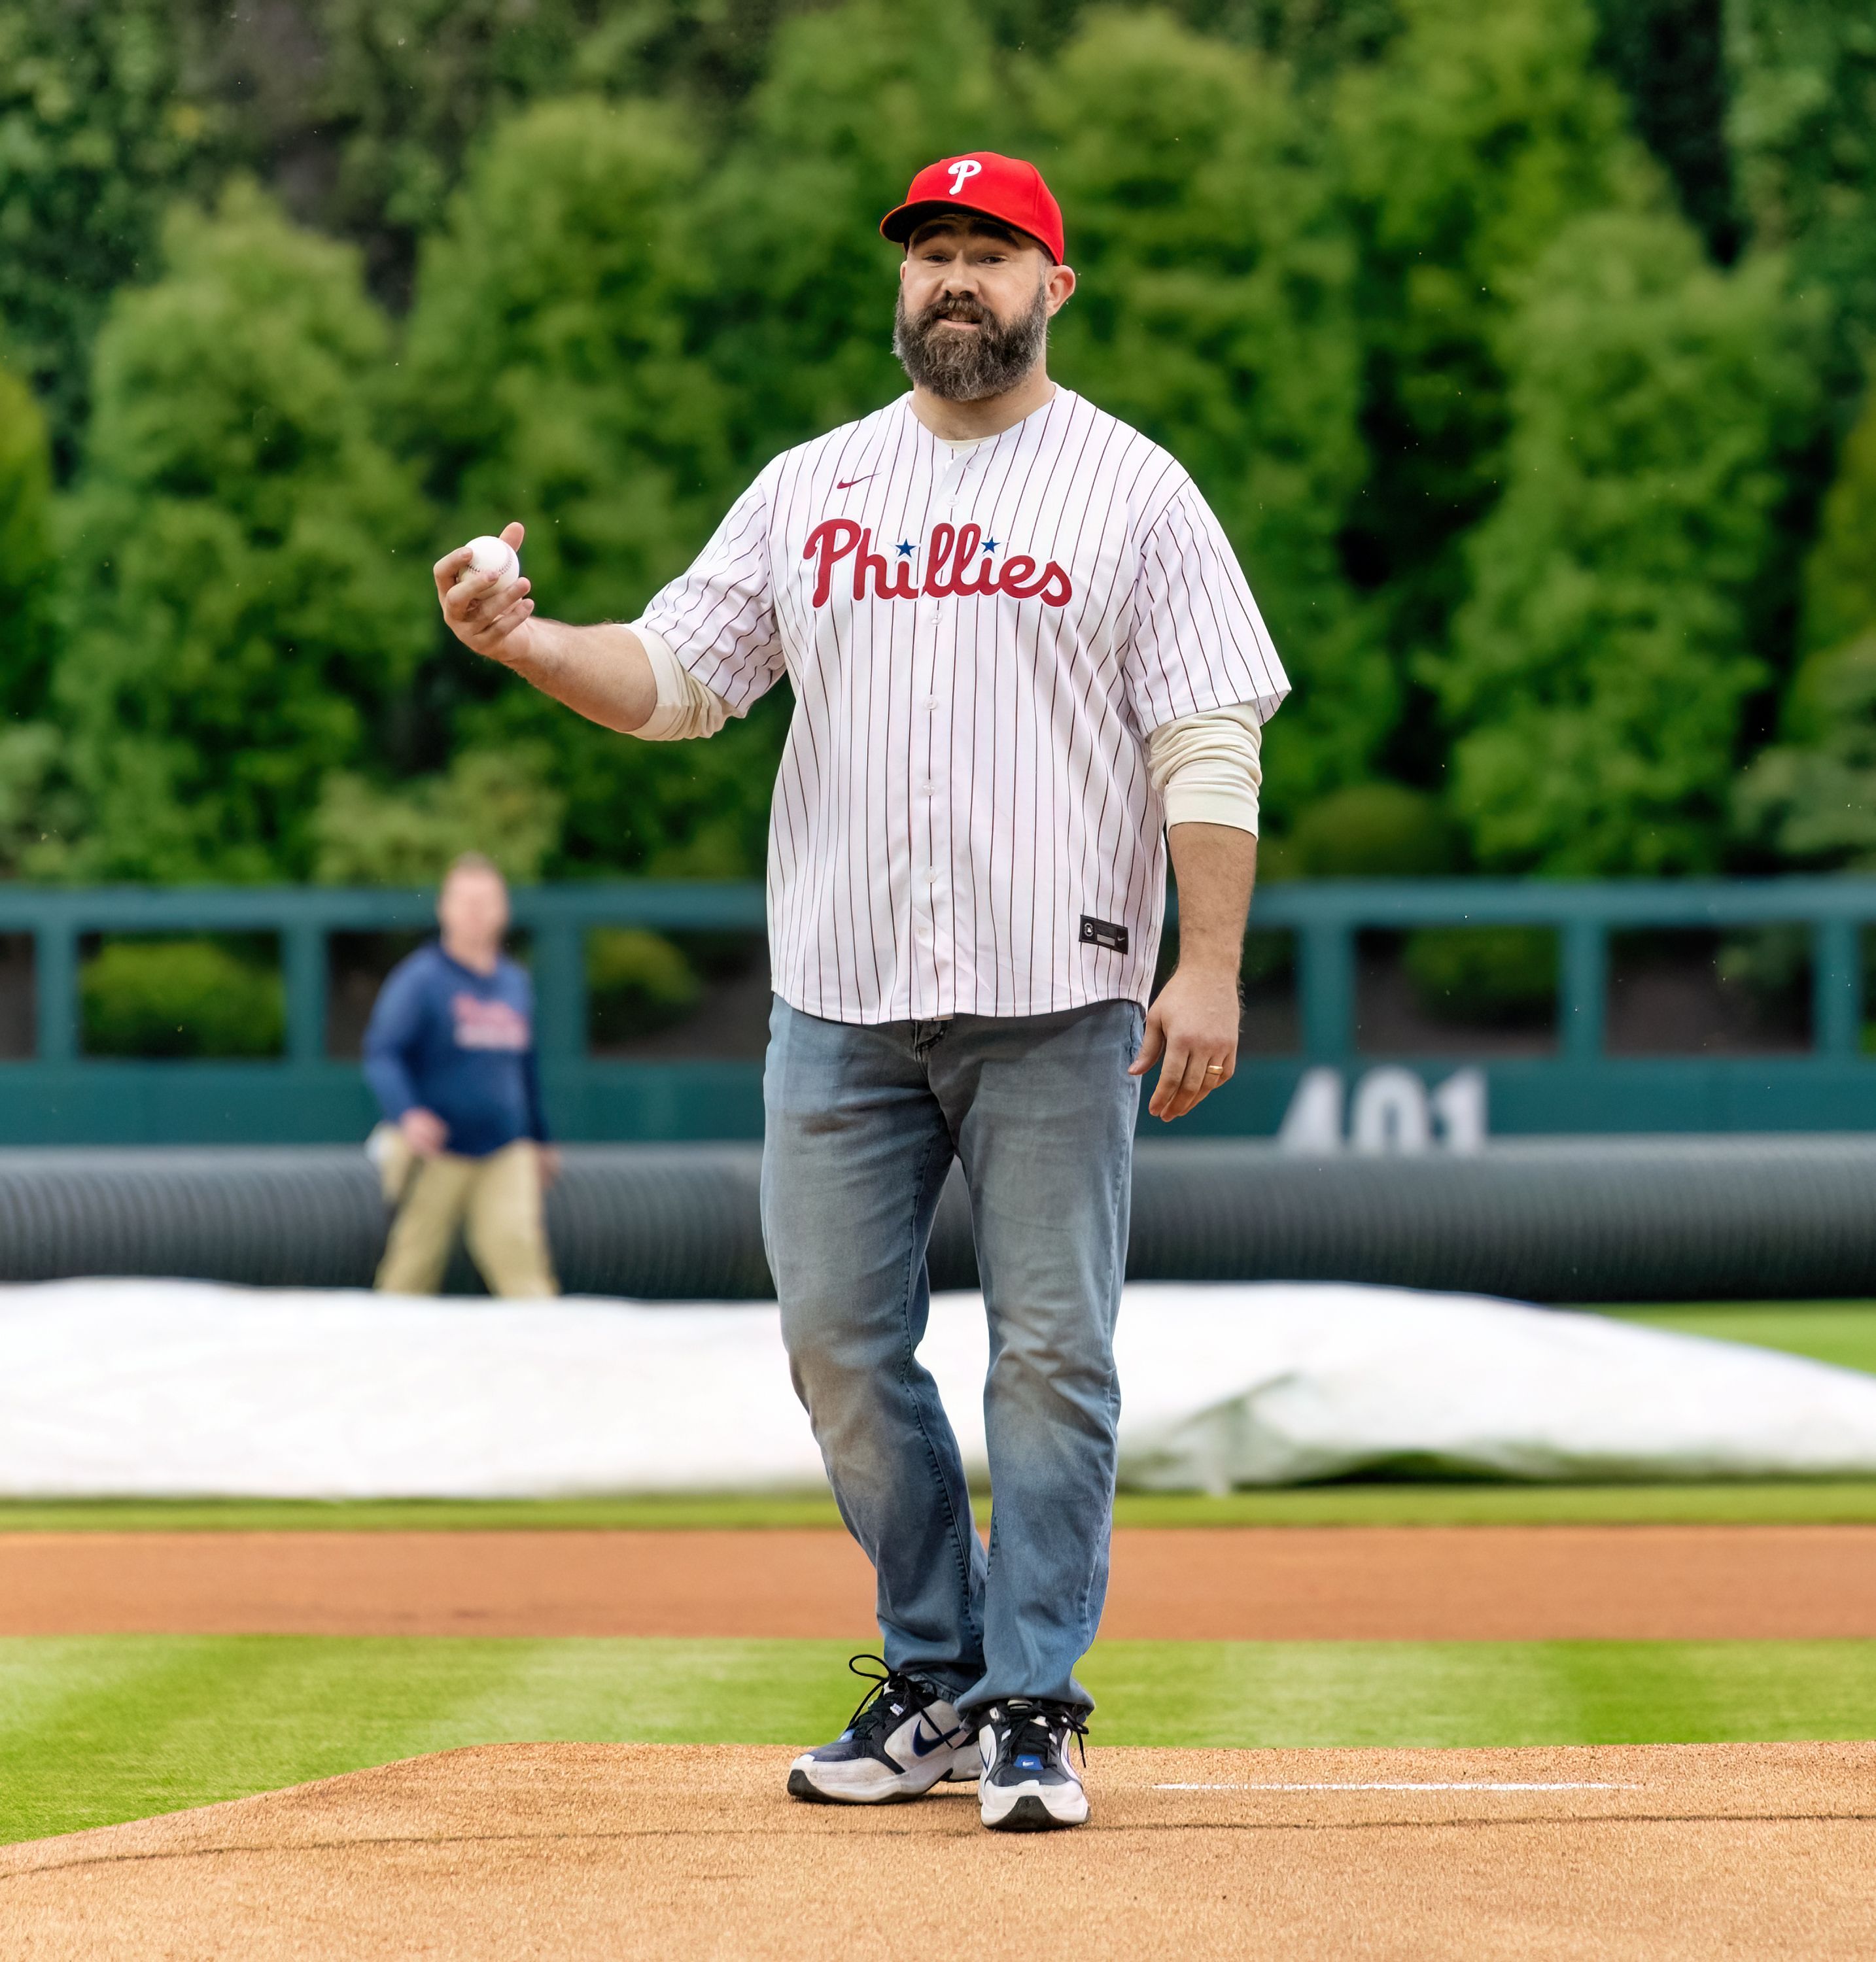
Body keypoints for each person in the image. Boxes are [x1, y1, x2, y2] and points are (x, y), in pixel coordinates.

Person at [432, 150, 1287, 1831]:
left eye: (990, 252)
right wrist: (527, 640)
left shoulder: (1132, 490)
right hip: (838, 1002)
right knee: (835, 1345)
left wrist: (1209, 963)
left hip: (1062, 993)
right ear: (899, 286)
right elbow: (679, 679)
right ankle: (935, 1673)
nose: (953, 277)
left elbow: (1205, 736)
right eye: (931, 253)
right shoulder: (811, 485)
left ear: (1056, 285)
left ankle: (1030, 1696)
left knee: (1051, 1356)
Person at [364, 852, 560, 1298]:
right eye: (465, 901)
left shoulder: (514, 983)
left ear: (504, 909)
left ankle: (547, 1357)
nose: (475, 912)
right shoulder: (421, 980)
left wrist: (540, 1138)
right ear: (444, 908)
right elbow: (382, 1053)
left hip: (504, 1149)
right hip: (436, 1151)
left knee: (524, 1266)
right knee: (411, 1268)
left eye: (486, 901)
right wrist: (407, 1114)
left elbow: (525, 1068)